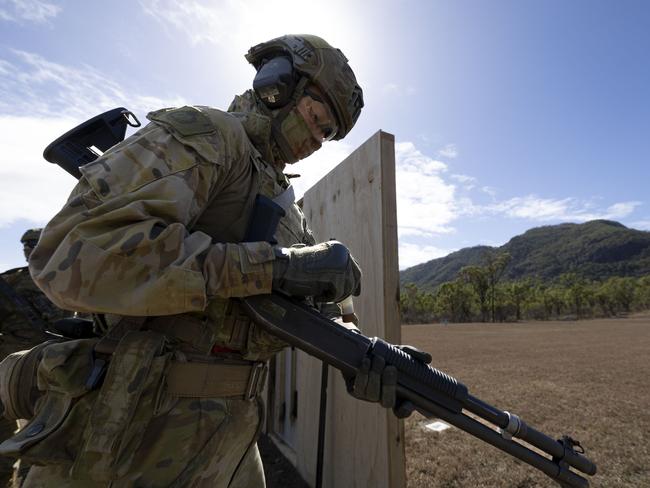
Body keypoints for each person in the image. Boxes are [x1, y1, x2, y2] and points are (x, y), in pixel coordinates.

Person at [8, 35, 376, 487]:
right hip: (127, 436)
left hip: (230, 438)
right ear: (278, 87)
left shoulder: (286, 204)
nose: (316, 141)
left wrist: (366, 353)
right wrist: (273, 267)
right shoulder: (209, 136)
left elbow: (306, 306)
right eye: (315, 118)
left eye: (327, 134)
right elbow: (73, 252)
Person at [0, 229, 68, 486]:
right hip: (13, 370)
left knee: (46, 433)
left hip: (56, 369)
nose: (29, 249)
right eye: (26, 245)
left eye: (33, 244)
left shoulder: (69, 278)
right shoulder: (10, 283)